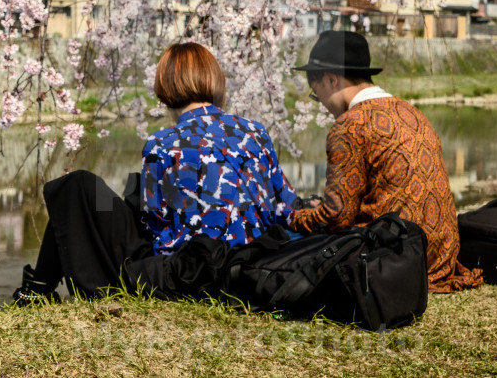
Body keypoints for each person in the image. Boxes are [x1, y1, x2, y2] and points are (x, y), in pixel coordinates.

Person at [16, 42, 296, 300]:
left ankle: (37, 286)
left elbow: (155, 225)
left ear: (165, 87)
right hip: (251, 264)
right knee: (133, 188)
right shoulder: (255, 131)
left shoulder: (162, 144)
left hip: (189, 273)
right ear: (216, 81)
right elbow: (285, 206)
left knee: (78, 186)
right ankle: (37, 286)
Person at [290, 30, 482, 293]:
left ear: (331, 79)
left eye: (317, 94)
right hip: (439, 258)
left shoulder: (350, 124)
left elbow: (337, 217)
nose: (322, 104)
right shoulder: (411, 111)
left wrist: (296, 217)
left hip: (395, 259)